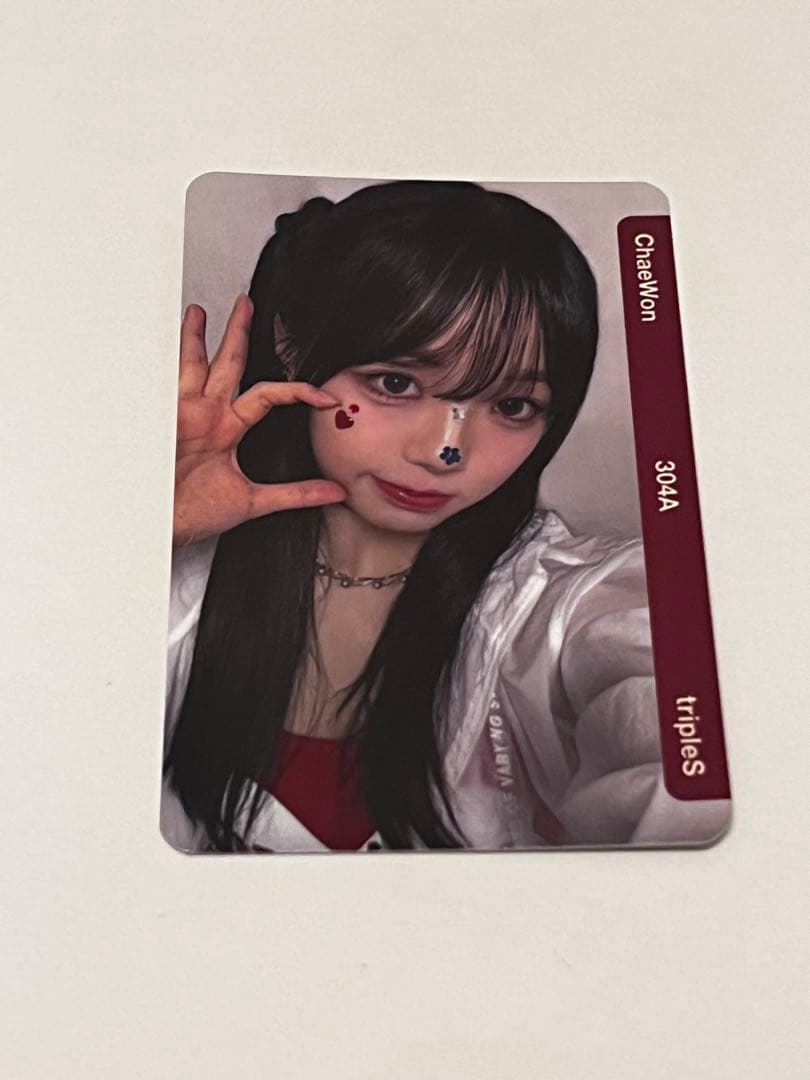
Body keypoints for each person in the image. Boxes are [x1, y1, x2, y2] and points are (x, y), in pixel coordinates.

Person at [162, 180, 727, 853]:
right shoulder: (180, 572)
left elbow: (663, 696)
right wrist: (139, 528)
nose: (444, 451)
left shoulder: (560, 604)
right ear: (293, 345)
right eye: (396, 383)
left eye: (512, 406)